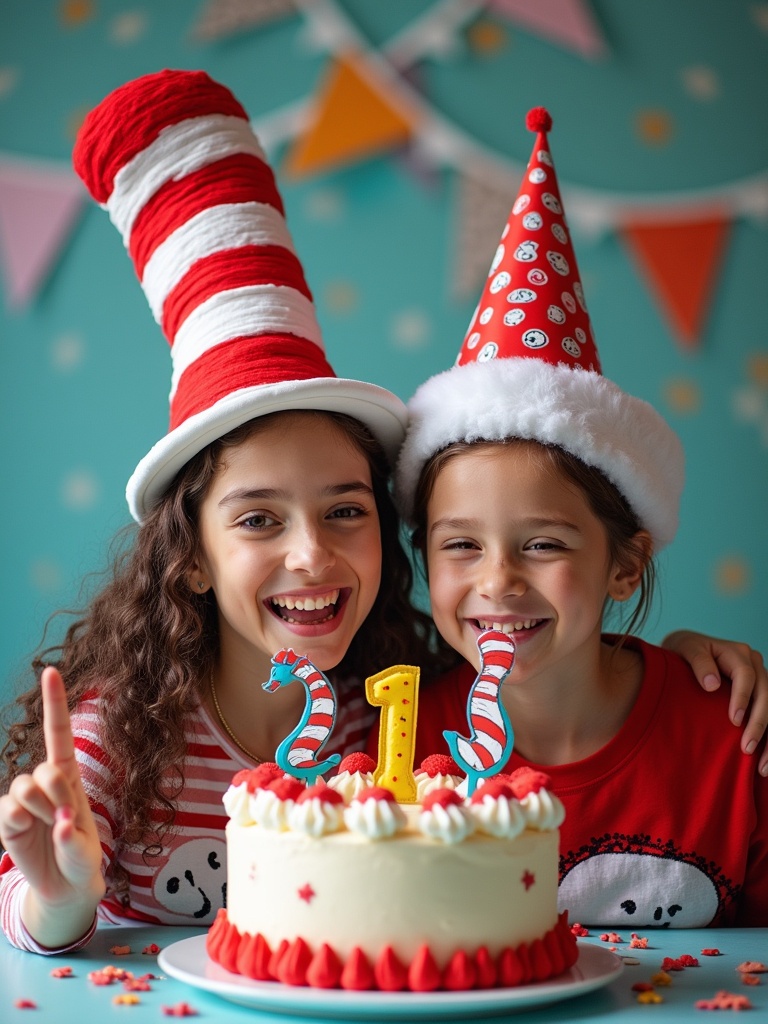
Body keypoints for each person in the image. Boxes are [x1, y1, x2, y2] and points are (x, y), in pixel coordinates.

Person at [0, 77, 763, 956]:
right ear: (191, 555)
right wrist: (62, 900)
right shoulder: (123, 729)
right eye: (257, 520)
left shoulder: (387, 719)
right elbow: (34, 897)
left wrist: (687, 660)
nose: (311, 553)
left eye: (345, 509)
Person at [394, 109, 768, 926]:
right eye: (461, 545)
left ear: (624, 564)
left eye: (542, 543)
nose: (498, 580)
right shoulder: (399, 745)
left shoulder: (732, 738)